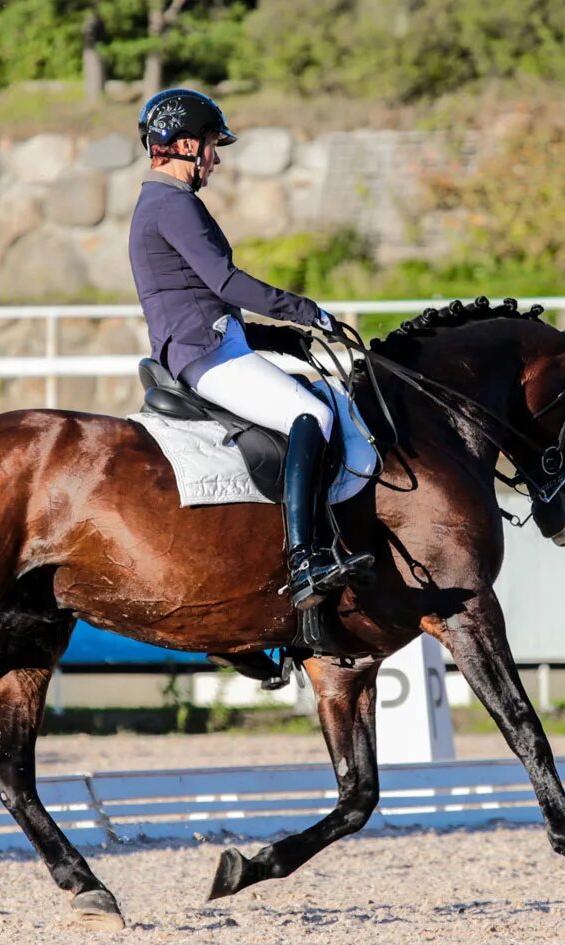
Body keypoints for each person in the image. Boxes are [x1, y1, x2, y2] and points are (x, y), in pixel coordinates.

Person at [128, 88, 371, 611]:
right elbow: (225, 282)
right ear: (186, 145)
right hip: (202, 355)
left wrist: (275, 337)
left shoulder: (165, 204)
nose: (216, 159)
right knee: (311, 413)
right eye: (213, 146)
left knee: (313, 397)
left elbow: (194, 296)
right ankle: (305, 559)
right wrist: (306, 311)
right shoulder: (172, 204)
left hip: (210, 343)